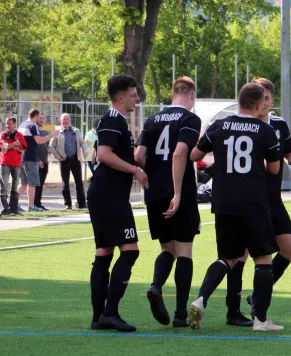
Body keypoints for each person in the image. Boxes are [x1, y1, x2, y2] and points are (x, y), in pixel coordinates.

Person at [188, 83, 283, 332]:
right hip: (252, 201)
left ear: (238, 101)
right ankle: (261, 320)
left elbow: (195, 155)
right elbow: (274, 169)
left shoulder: (219, 125)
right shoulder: (264, 130)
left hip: (224, 201)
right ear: (260, 104)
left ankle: (201, 299)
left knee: (228, 258)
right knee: (263, 259)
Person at [224, 78, 291, 327]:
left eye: (267, 98)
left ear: (271, 101)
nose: (263, 103)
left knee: (289, 248)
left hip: (273, 200)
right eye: (260, 98)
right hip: (250, 200)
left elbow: (288, 155)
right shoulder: (242, 125)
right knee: (242, 254)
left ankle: (258, 295)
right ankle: (233, 310)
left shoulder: (279, 125)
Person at [134, 76, 201, 328]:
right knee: (184, 250)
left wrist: (152, 173)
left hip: (154, 191)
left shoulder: (152, 120)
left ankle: (155, 286)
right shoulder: (190, 119)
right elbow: (180, 153)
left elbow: (139, 155)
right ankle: (180, 315)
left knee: (167, 249)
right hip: (177, 190)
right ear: (191, 95)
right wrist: (178, 192)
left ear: (172, 94)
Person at [87, 75, 148, 332]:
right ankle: (110, 312)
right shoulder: (113, 118)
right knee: (130, 250)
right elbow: (103, 155)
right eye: (133, 95)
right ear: (120, 98)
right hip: (108, 194)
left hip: (105, 194)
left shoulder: (116, 120)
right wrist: (134, 170)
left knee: (104, 253)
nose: (137, 99)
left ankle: (99, 317)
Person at [17, 109, 59, 212]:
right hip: (30, 158)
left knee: (23, 183)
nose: (39, 119)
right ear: (35, 116)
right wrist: (52, 135)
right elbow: (39, 141)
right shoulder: (32, 126)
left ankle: (13, 204)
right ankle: (31, 206)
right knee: (32, 183)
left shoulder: (22, 125)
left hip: (22, 157)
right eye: (39, 116)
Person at [50, 113, 88, 209]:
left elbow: (82, 142)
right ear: (60, 120)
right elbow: (51, 147)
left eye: (67, 119)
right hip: (64, 161)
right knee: (65, 184)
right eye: (64, 119)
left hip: (75, 159)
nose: (66, 121)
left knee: (79, 183)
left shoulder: (76, 131)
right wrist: (58, 157)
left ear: (70, 120)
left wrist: (85, 149)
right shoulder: (57, 132)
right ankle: (68, 204)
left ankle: (82, 204)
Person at [0, 117, 26, 215]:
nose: (8, 126)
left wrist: (12, 146)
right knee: (4, 186)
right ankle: (5, 208)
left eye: (10, 123)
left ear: (15, 124)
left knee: (15, 187)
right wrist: (14, 144)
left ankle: (13, 208)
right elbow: (3, 148)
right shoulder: (3, 134)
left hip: (16, 164)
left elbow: (22, 147)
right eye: (7, 124)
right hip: (5, 163)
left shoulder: (20, 135)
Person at [34, 113, 51, 210]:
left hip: (45, 161)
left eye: (43, 118)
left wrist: (49, 150)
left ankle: (38, 203)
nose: (41, 120)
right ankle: (34, 204)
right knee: (36, 184)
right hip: (36, 161)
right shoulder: (34, 132)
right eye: (40, 118)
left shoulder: (45, 132)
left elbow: (47, 145)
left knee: (41, 184)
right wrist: (37, 160)